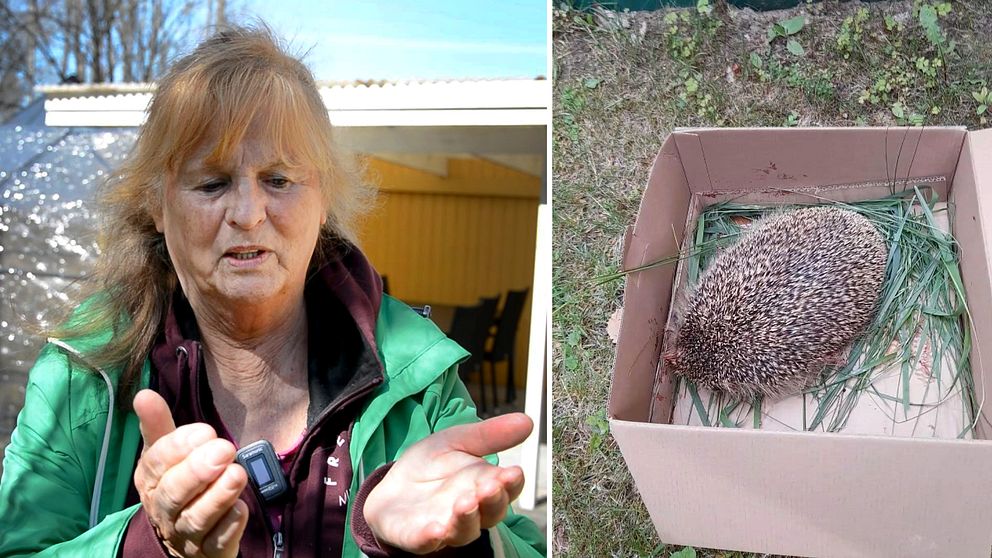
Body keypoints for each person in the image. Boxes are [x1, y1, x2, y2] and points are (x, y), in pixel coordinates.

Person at [0, 25, 545, 558]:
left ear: (324, 197)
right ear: (156, 205)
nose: (248, 213)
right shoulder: (82, 376)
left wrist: (455, 544)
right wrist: (150, 543)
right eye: (212, 182)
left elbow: (521, 545)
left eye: (279, 180)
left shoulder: (416, 373)